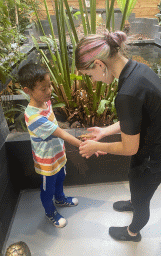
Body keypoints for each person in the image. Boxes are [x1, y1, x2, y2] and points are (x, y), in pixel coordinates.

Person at [75, 31, 161, 242]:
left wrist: (95, 147)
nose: (93, 82)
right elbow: (136, 120)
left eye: (90, 75)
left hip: (152, 161)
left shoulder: (127, 92)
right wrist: (104, 132)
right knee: (135, 185)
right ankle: (134, 201)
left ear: (100, 64)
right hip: (155, 150)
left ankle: (132, 233)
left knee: (142, 200)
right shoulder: (138, 71)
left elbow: (129, 148)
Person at [18, 63, 81, 228]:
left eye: (50, 85)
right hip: (46, 161)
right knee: (48, 188)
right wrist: (83, 145)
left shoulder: (46, 102)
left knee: (61, 178)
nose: (49, 91)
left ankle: (60, 199)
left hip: (58, 154)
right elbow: (61, 133)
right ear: (28, 90)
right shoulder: (33, 117)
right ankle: (50, 212)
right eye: (43, 88)